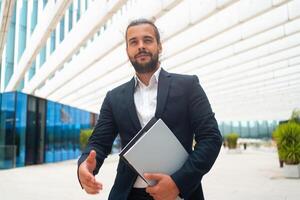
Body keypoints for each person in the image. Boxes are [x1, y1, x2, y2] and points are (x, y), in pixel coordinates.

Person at [77, 18, 222, 200]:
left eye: (147, 40)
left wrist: (178, 183)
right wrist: (85, 166)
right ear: (127, 50)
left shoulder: (188, 86)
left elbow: (211, 138)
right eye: (133, 42)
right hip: (129, 195)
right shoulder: (114, 97)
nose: (140, 46)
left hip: (178, 194)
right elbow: (98, 142)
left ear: (159, 46)